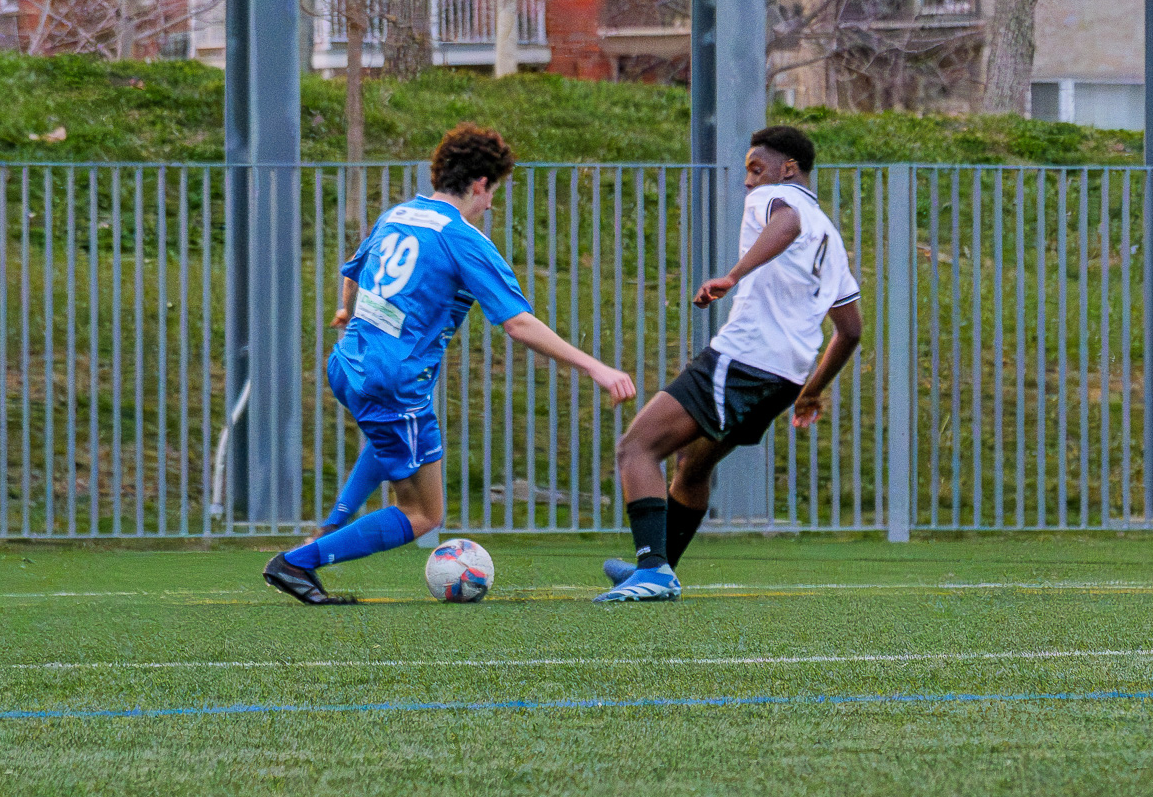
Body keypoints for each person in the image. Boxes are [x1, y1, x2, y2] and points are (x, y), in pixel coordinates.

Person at [265, 124, 636, 605]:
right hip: (394, 380)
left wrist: (346, 311)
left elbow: (352, 270)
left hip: (349, 363)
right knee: (425, 513)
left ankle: (331, 526)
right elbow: (518, 324)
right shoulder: (464, 239)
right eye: (493, 192)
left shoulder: (398, 214)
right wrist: (595, 367)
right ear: (480, 183)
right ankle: (298, 563)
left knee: (390, 441)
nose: (491, 205)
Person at [596, 126, 863, 602]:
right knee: (694, 464)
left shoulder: (777, 198)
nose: (748, 181)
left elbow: (785, 227)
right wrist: (811, 390)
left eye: (755, 168)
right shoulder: (831, 235)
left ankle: (652, 569)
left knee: (636, 447)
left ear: (788, 169)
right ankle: (659, 570)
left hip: (745, 357)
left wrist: (733, 275)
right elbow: (850, 330)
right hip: (784, 378)